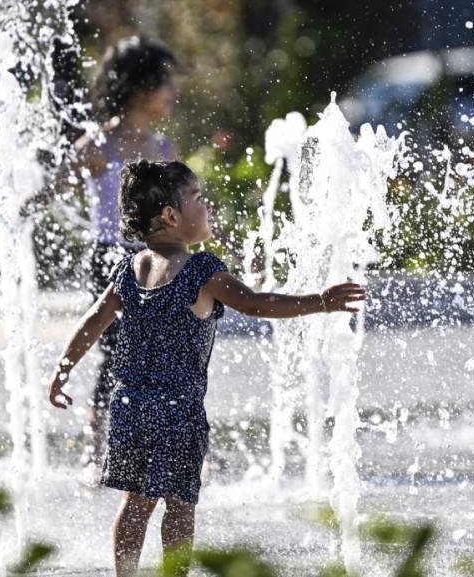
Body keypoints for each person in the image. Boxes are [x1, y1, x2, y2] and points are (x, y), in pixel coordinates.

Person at [45, 160, 367, 576]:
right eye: (197, 197)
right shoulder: (200, 269)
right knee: (179, 505)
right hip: (178, 412)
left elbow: (92, 321)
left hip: (128, 406)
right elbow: (256, 304)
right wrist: (318, 302)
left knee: (135, 504)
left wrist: (62, 369)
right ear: (170, 216)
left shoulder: (130, 269)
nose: (207, 205)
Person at [26, 36, 178, 479]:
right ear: (139, 88)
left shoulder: (163, 149)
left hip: (158, 261)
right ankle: (97, 450)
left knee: (161, 354)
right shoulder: (100, 146)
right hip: (112, 261)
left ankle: (157, 441)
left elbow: (187, 206)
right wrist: (12, 213)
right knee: (116, 353)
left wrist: (226, 238)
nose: (172, 93)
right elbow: (54, 188)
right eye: (164, 83)